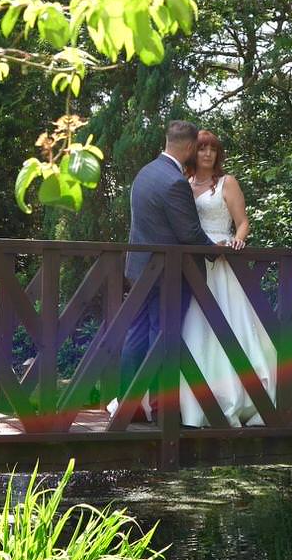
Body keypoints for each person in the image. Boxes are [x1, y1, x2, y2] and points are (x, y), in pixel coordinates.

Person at [112, 120, 214, 423]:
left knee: (136, 335)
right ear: (189, 146)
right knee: (163, 337)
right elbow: (189, 234)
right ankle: (161, 410)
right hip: (169, 274)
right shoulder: (175, 182)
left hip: (141, 270)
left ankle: (127, 407)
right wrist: (216, 252)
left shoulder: (145, 173)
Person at [176, 130, 277, 427]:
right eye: (202, 149)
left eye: (213, 149)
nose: (208, 154)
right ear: (193, 152)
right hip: (193, 263)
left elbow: (242, 221)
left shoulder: (227, 183)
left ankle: (240, 397)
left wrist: (237, 242)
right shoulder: (183, 185)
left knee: (229, 326)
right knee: (194, 329)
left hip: (221, 261)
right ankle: (192, 401)